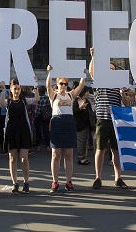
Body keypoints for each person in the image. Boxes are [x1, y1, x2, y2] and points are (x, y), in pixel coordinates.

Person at [89, 47, 133, 190]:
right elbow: (91, 72)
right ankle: (97, 177)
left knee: (115, 150)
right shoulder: (100, 82)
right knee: (100, 150)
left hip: (115, 120)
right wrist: (94, 57)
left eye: (113, 69)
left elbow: (126, 104)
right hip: (102, 119)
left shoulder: (118, 85)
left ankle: (118, 177)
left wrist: (124, 94)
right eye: (109, 69)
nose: (111, 71)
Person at [45, 65, 87, 193]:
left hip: (68, 123)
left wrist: (83, 74)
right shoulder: (54, 95)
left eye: (65, 84)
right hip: (57, 123)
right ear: (57, 84)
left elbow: (80, 87)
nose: (64, 86)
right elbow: (47, 86)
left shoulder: (70, 94)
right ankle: (55, 182)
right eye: (61, 83)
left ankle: (68, 181)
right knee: (55, 154)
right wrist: (49, 73)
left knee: (68, 154)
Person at [0, 78, 38, 193]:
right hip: (11, 131)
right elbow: (0, 104)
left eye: (18, 89)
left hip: (23, 130)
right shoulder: (8, 102)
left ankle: (26, 182)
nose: (17, 91)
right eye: (15, 88)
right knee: (12, 158)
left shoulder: (24, 100)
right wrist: (3, 90)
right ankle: (15, 183)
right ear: (11, 89)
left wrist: (35, 87)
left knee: (24, 158)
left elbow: (36, 100)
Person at [73, 84, 92, 166]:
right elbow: (74, 111)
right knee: (80, 140)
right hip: (79, 123)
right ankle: (80, 158)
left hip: (87, 123)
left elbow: (90, 111)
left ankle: (83, 157)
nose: (87, 93)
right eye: (86, 92)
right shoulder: (76, 100)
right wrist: (81, 108)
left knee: (84, 141)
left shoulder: (87, 101)